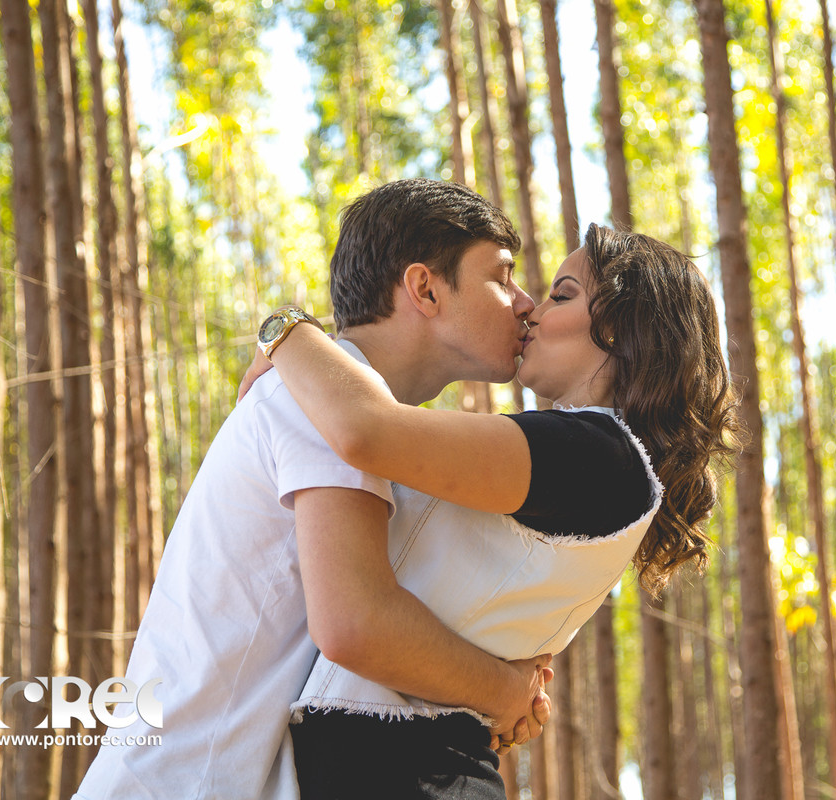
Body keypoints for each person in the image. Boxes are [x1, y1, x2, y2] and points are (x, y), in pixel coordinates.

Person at [74, 179, 554, 800]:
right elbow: (356, 624)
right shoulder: (321, 402)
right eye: (502, 277)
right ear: (425, 288)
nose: (525, 303)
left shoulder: (341, 403)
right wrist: (504, 692)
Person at [241, 221, 741, 798]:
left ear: (623, 328)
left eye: (562, 294)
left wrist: (288, 330)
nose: (531, 311)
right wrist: (505, 693)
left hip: (420, 776)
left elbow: (364, 430)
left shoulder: (598, 457)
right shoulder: (600, 462)